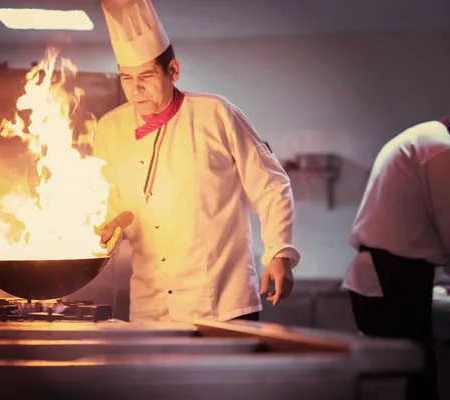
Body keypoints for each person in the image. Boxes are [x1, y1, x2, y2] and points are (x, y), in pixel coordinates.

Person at [91, 0, 300, 323]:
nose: (136, 90)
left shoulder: (215, 113)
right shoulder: (109, 129)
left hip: (223, 304)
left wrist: (279, 251)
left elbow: (271, 184)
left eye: (146, 76)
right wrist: (107, 230)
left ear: (173, 71)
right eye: (126, 78)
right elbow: (110, 209)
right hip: (150, 308)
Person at [342, 91, 450, 400]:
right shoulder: (442, 149)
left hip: (384, 276)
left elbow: (446, 234)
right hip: (393, 278)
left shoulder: (425, 137)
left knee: (399, 376)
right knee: (412, 380)